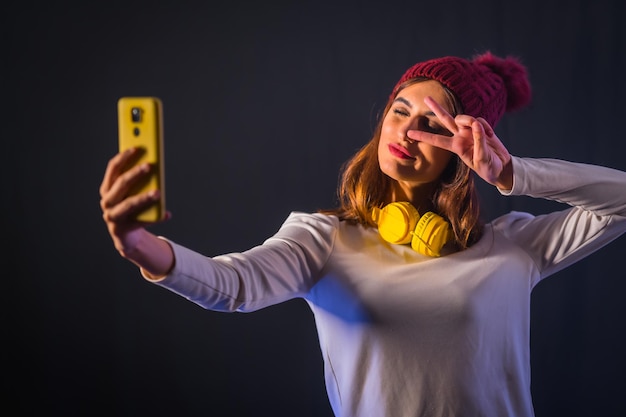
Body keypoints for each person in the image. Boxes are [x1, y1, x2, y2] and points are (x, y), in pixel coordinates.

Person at [100, 51, 626, 417]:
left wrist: (514, 173)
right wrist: (139, 245)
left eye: (435, 125)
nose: (406, 128)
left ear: (464, 151)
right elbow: (231, 285)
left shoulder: (515, 246)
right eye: (401, 109)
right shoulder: (323, 240)